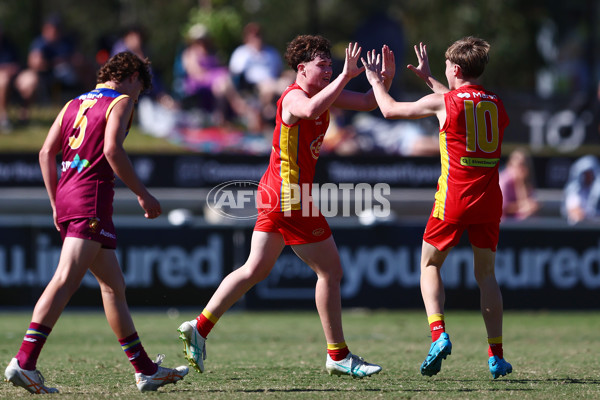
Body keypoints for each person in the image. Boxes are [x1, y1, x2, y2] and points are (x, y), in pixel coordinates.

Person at [177, 35, 394, 378]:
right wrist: (344, 77)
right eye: (322, 65)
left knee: (255, 270)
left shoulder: (322, 93)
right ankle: (338, 354)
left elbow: (369, 103)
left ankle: (199, 327)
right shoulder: (294, 96)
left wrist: (383, 79)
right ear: (301, 68)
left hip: (275, 192)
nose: (328, 70)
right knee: (331, 272)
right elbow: (308, 110)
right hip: (289, 196)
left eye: (330, 65)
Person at [4, 52, 188, 394]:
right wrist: (144, 194)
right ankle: (24, 361)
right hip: (90, 200)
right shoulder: (120, 101)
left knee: (113, 286)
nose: (137, 99)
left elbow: (46, 152)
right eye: (140, 91)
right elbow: (113, 151)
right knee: (64, 280)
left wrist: (55, 201)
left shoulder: (73, 102)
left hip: (70, 196)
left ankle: (145, 370)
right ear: (133, 77)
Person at [362, 37, 513, 379]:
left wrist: (375, 82)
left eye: (447, 66)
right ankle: (496, 355)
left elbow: (388, 110)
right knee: (487, 276)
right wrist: (431, 78)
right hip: (489, 200)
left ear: (456, 69)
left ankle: (438, 334)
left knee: (429, 265)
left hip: (454, 200)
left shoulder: (444, 102)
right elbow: (463, 102)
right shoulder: (496, 104)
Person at [14, 14, 93, 123]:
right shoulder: (40, 43)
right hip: (44, 74)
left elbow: (78, 59)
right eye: (52, 28)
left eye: (57, 28)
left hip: (65, 73)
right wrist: (54, 62)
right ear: (46, 29)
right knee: (30, 82)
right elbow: (35, 62)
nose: (54, 31)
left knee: (87, 70)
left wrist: (73, 62)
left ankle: (91, 108)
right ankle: (24, 115)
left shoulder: (67, 42)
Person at [499, 148, 540, 221]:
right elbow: (501, 208)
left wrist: (521, 184)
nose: (522, 168)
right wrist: (524, 206)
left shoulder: (525, 181)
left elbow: (529, 205)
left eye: (525, 165)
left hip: (518, 224)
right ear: (510, 165)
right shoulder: (503, 181)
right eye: (519, 165)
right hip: (503, 225)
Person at [562, 155, 600, 224]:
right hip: (580, 230)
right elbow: (574, 212)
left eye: (590, 173)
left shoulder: (597, 190)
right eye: (585, 173)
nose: (588, 176)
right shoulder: (574, 191)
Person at [0, 23, 20, 132]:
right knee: (3, 79)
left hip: (12, 80)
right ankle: (3, 118)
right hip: (4, 79)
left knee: (29, 81)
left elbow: (16, 66)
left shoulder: (9, 45)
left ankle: (4, 119)